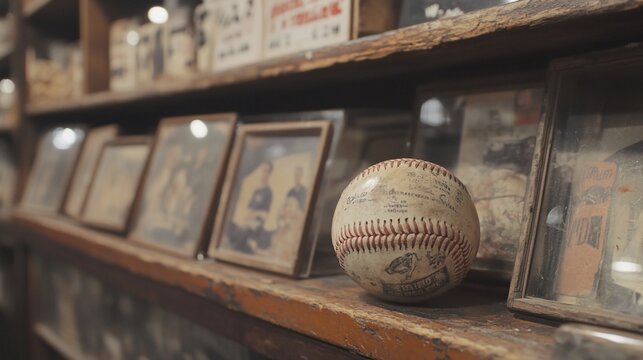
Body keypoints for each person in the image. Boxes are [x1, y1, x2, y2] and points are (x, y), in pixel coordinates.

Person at [227, 161, 274, 253]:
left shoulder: (269, 192)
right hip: (248, 221)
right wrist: (246, 216)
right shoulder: (256, 190)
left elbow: (266, 214)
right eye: (262, 170)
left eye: (266, 171)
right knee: (232, 228)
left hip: (257, 225)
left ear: (269, 174)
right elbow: (249, 208)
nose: (263, 174)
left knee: (242, 236)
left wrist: (254, 214)